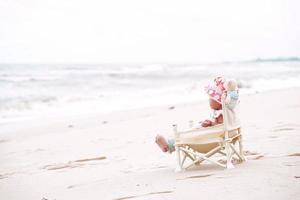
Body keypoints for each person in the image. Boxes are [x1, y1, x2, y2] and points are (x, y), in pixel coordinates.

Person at [155, 77, 239, 153]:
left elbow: (220, 127)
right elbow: (221, 125)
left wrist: (209, 124)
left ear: (219, 102)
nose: (209, 100)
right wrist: (209, 123)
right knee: (193, 129)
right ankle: (171, 141)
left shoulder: (223, 113)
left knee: (191, 134)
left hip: (211, 138)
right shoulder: (226, 112)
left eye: (211, 99)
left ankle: (169, 145)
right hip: (215, 135)